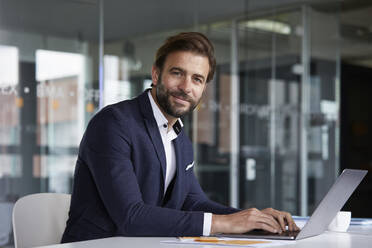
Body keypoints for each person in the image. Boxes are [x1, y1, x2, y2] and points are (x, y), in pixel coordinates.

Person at [61, 32, 299, 243]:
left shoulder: (179, 137)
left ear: (203, 89)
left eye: (197, 79)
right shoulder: (114, 123)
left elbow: (193, 202)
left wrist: (253, 220)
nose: (186, 87)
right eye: (177, 73)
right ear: (156, 74)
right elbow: (130, 216)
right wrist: (225, 224)